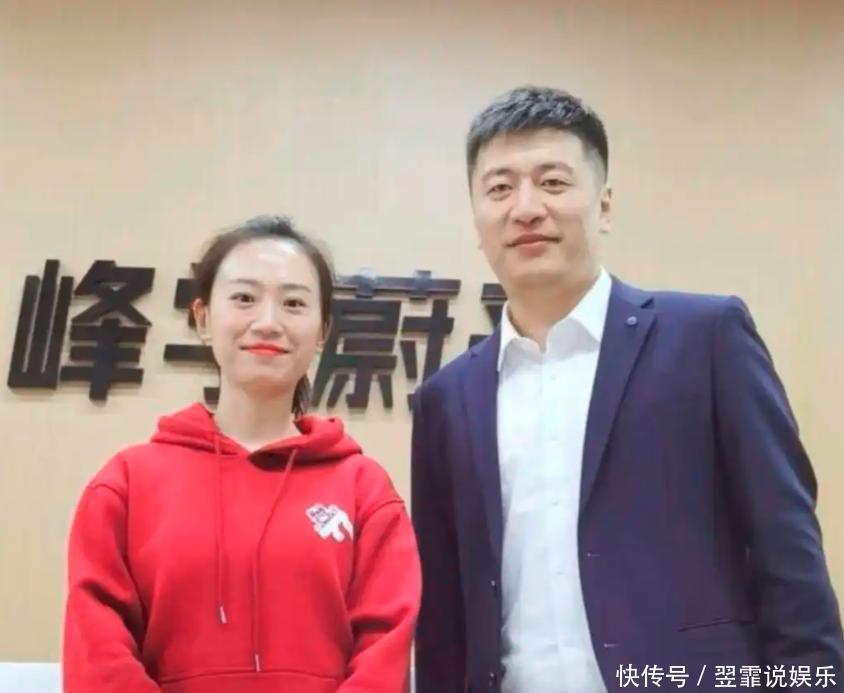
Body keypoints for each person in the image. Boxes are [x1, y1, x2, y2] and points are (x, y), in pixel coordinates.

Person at [411, 86, 843, 693]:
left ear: (605, 204)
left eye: (553, 182)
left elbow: (788, 554)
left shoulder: (705, 339)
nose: (526, 208)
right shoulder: (446, 399)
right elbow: (444, 612)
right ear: (477, 218)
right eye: (500, 188)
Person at [63, 215, 421, 692]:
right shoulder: (127, 484)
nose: (268, 322)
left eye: (294, 303)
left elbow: (385, 649)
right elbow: (97, 650)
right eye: (244, 298)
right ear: (203, 319)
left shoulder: (364, 490)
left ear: (322, 332)